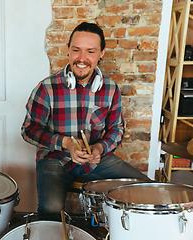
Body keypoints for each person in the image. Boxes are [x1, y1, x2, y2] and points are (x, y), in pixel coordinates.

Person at [21, 22, 151, 219]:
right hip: (55, 160)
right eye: (76, 50)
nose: (82, 58)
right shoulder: (47, 88)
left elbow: (116, 129)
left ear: (102, 53)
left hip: (96, 159)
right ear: (68, 50)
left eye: (90, 51)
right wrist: (65, 142)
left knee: (145, 190)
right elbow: (29, 129)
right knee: (51, 211)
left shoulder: (110, 89)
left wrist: (99, 148)